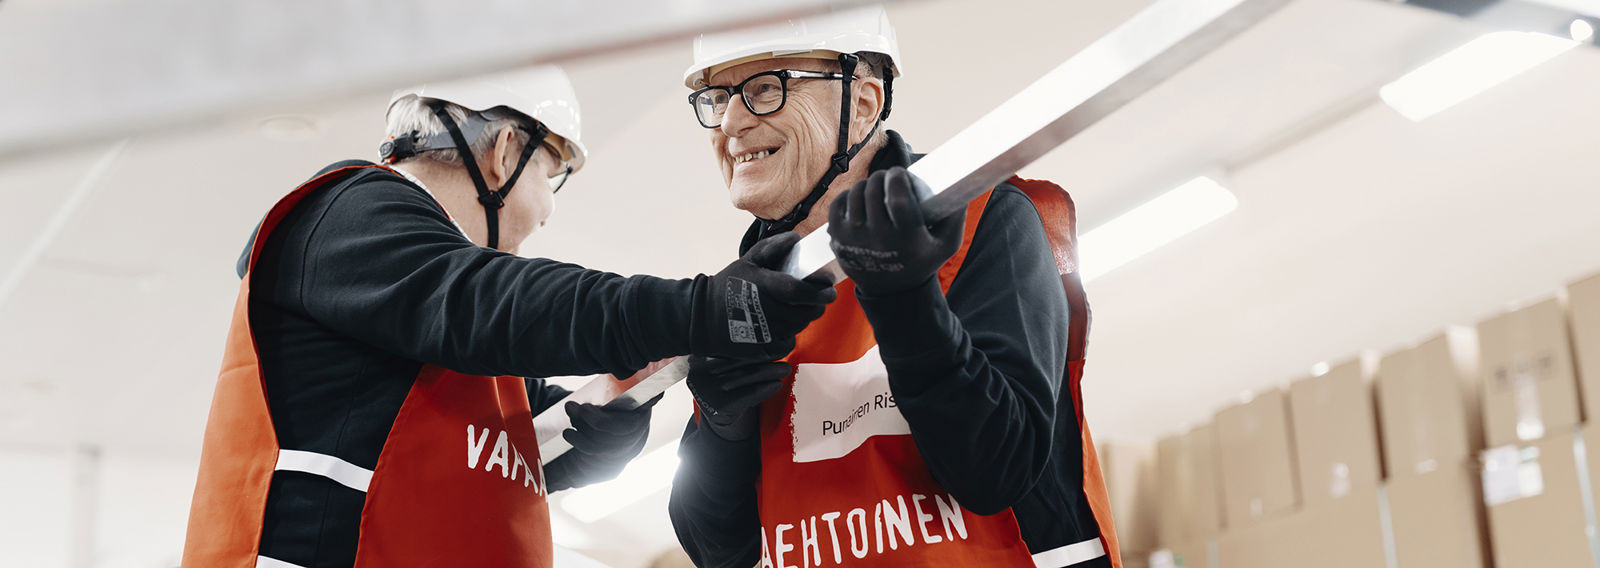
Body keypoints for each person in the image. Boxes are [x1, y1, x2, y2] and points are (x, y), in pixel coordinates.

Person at [182, 66, 835, 568]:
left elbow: (515, 456)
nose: (547, 212)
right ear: (502, 154)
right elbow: (499, 305)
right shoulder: (350, 219)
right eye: (551, 176)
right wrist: (699, 308)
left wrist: (609, 425)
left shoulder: (440, 333)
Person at [667, 8, 1124, 567]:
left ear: (862, 104)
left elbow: (997, 471)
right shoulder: (748, 297)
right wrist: (721, 423)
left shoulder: (985, 220)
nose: (730, 123)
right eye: (716, 98)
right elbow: (720, 551)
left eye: (765, 88)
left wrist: (905, 300)